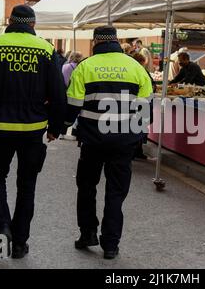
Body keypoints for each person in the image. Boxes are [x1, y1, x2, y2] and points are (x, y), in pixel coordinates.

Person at [0, 4, 67, 259]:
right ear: (32, 24)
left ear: (10, 21)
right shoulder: (45, 49)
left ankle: (2, 225)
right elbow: (58, 93)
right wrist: (56, 127)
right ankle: (20, 243)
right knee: (27, 185)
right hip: (32, 130)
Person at [64, 25, 153, 259]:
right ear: (116, 41)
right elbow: (145, 112)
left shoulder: (85, 67)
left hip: (92, 141)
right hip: (124, 143)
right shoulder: (137, 68)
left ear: (95, 42)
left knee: (86, 187)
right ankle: (111, 245)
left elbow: (72, 105)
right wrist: (135, 137)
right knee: (116, 192)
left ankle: (88, 234)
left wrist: (58, 128)